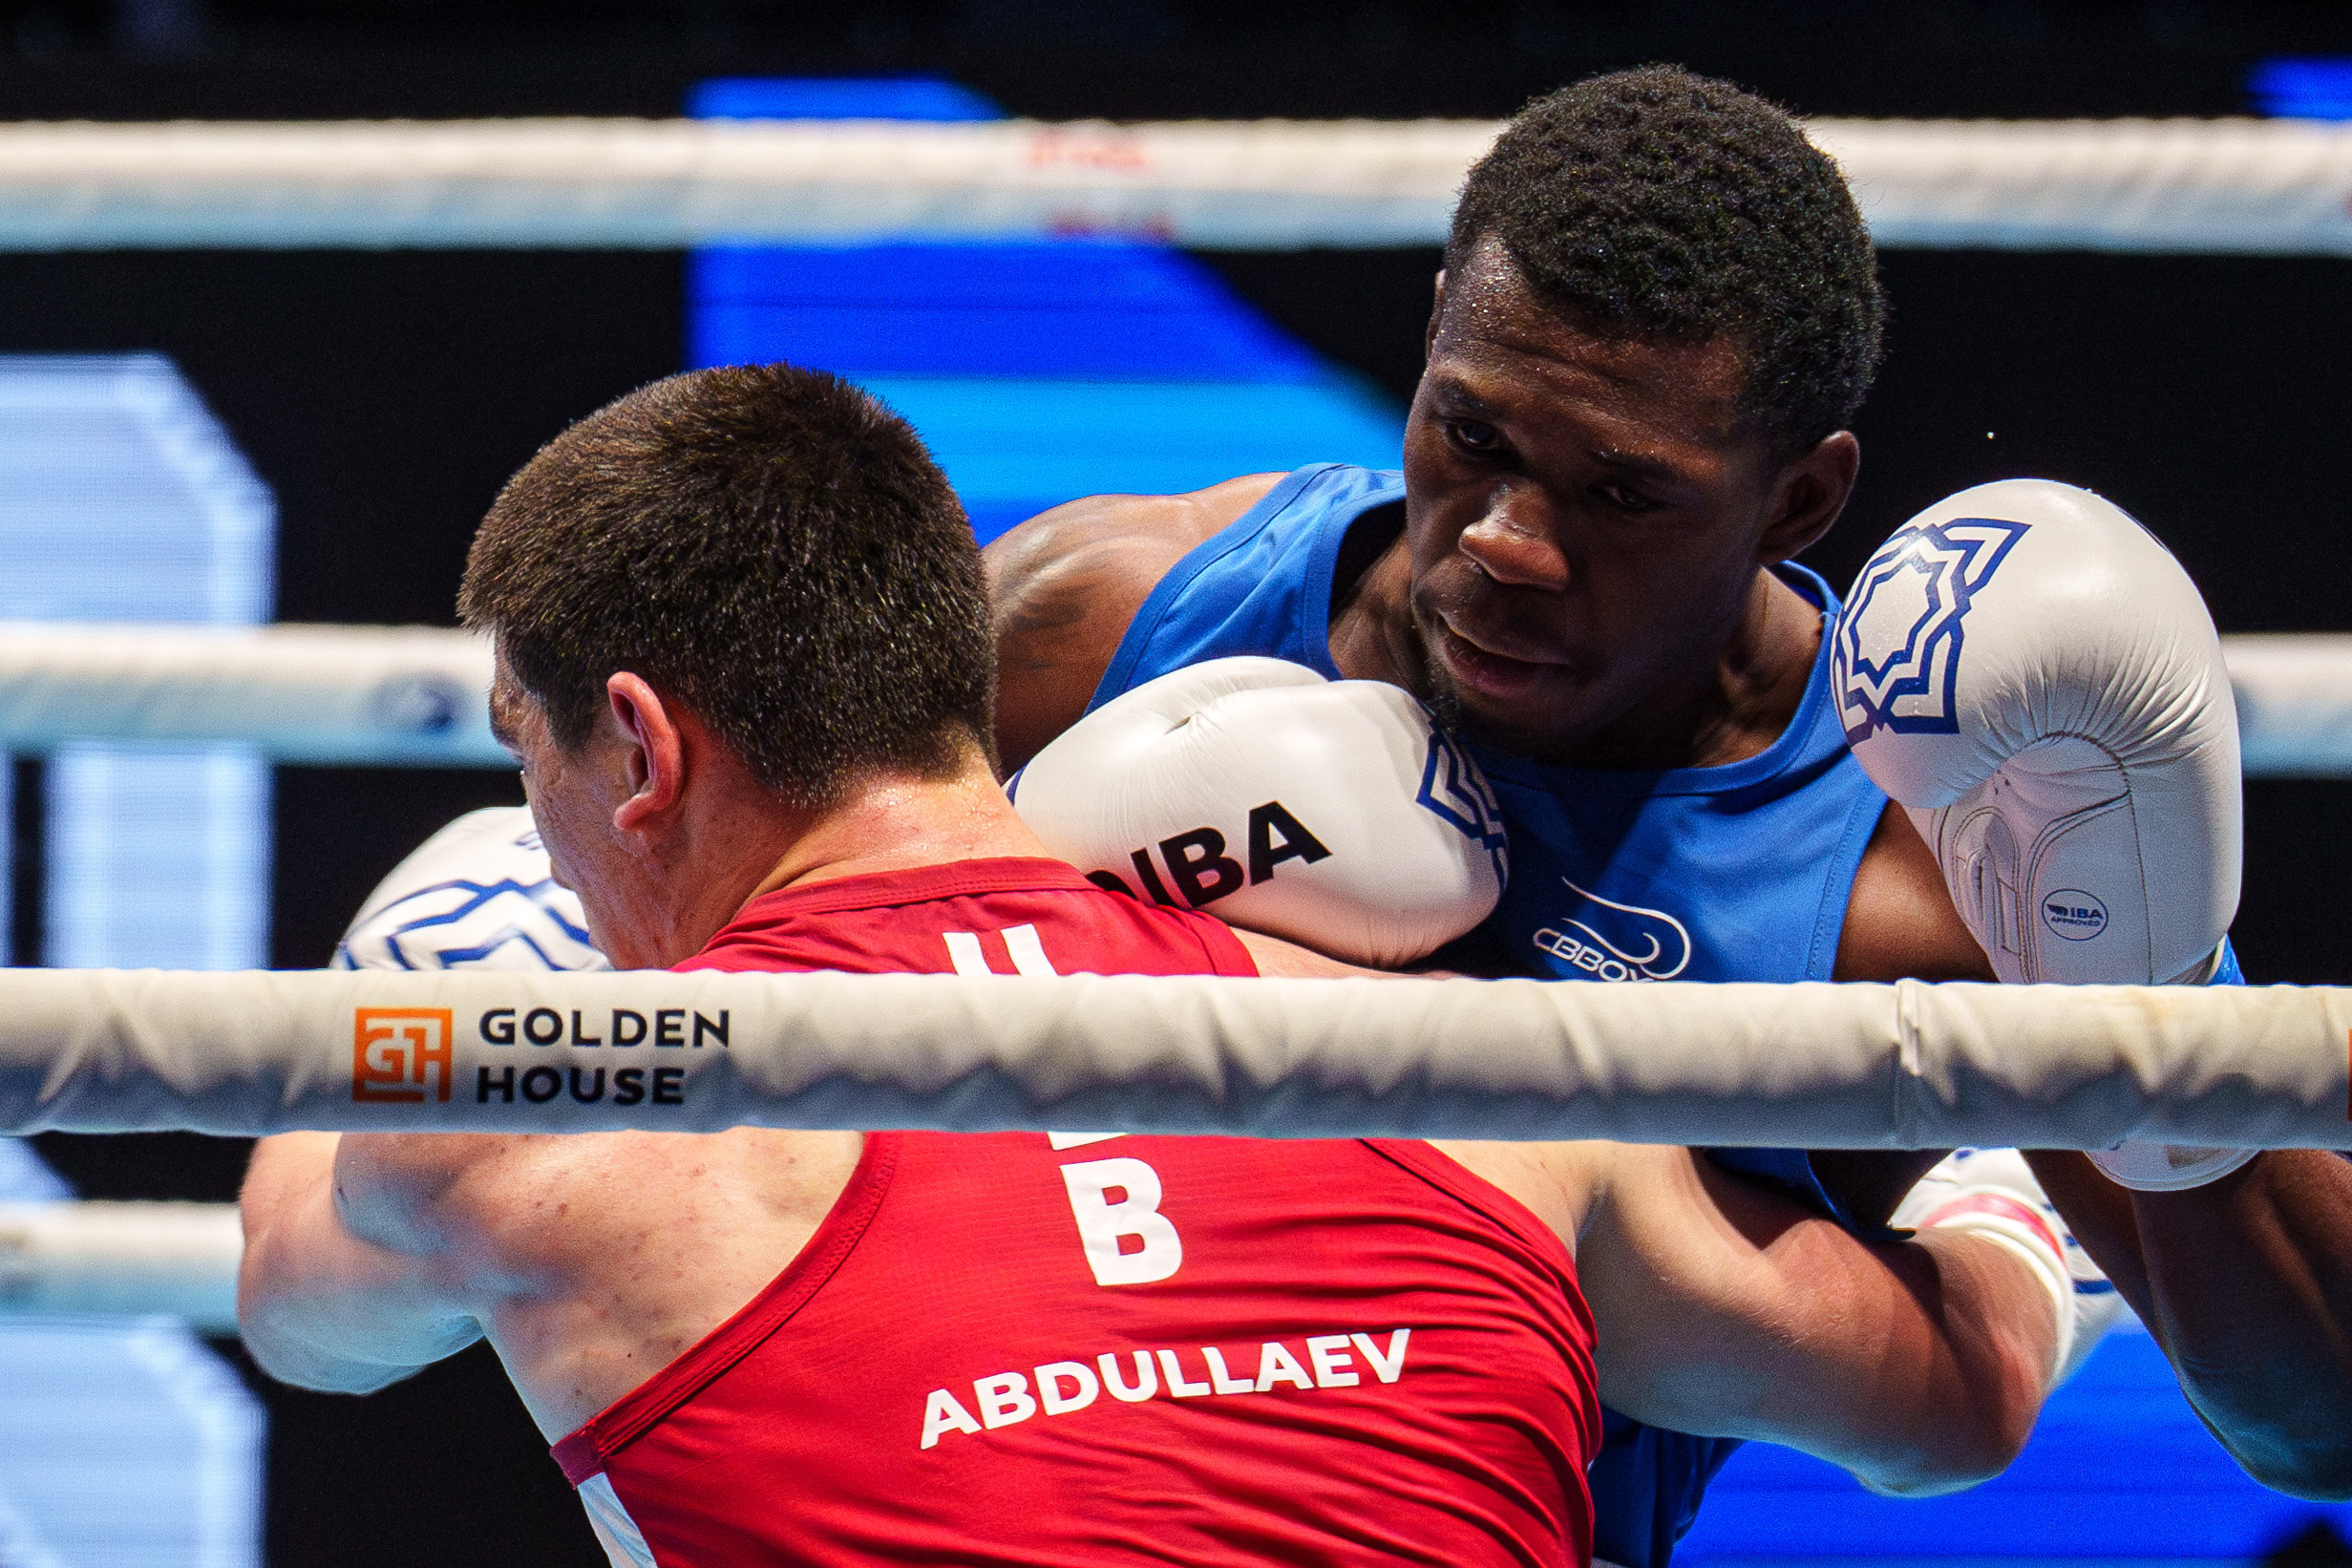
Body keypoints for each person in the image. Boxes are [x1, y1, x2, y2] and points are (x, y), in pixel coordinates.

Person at [240, 364, 2066, 1567]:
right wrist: (2008, 1173)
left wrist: (421, 981)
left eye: (527, 761)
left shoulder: (531, 1131)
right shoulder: (1487, 1070)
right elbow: (1951, 1397)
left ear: (636, 750)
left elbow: (293, 1296)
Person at [983, 62, 2352, 1546]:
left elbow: (2323, 1420)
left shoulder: (1925, 865)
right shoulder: (1119, 616)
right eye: (1475, 438)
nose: (1508, 544)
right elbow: (729, 1024)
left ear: (1800, 501)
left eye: (1623, 495)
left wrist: (2157, 1007)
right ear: (1437, 329)